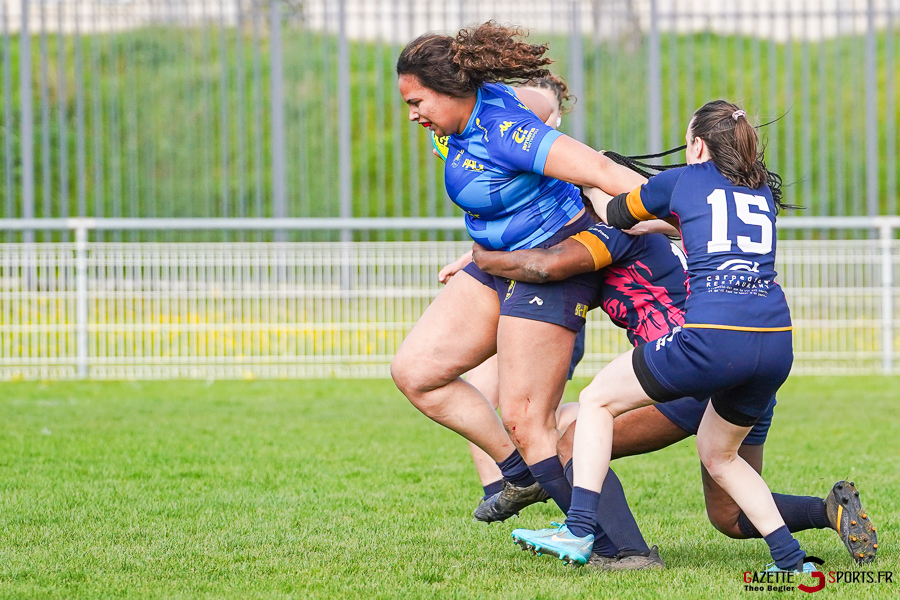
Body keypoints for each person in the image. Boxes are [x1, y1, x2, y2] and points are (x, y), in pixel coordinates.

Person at [508, 100, 874, 572]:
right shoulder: (761, 190)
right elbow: (690, 225)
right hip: (776, 342)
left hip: (713, 339)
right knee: (720, 456)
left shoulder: (683, 181)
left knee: (596, 400)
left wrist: (589, 175)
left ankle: (578, 530)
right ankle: (789, 560)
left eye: (687, 141)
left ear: (698, 145)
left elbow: (616, 212)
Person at [391, 21, 645, 534]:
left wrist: (690, 214)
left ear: (450, 90)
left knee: (527, 419)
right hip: (494, 263)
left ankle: (618, 548)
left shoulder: (508, 132)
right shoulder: (461, 121)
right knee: (415, 372)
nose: (413, 114)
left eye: (417, 102)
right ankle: (520, 475)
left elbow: (601, 172)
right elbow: (537, 103)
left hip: (547, 266)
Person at [434, 74, 587, 506]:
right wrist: (472, 259)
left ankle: (577, 499)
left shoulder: (561, 160)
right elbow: (503, 226)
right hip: (500, 289)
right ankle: (505, 489)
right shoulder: (495, 144)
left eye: (547, 111)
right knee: (481, 399)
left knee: (535, 418)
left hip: (549, 296)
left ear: (557, 117)